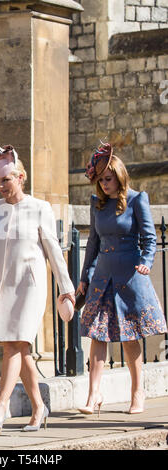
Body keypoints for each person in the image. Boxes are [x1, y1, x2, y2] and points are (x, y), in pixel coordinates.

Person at [0, 141, 75, 432]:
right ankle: (39, 408)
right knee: (19, 348)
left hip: (30, 287)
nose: (2, 185)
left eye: (6, 179)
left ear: (21, 177)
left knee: (14, 345)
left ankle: (0, 406)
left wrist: (65, 288)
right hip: (3, 287)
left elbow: (53, 250)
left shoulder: (40, 208)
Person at [77, 142, 167, 416]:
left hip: (130, 276)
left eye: (108, 178)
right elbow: (92, 243)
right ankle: (94, 396)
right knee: (97, 335)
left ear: (119, 175)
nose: (104, 184)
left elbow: (149, 239)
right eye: (100, 179)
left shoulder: (138, 199)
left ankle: (137, 393)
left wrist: (146, 263)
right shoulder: (97, 204)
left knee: (130, 338)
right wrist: (84, 277)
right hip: (103, 277)